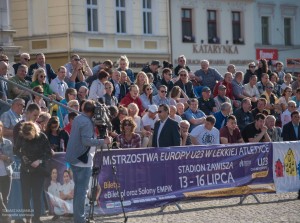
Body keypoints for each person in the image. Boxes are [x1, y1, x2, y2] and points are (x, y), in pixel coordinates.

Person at [65, 100, 112, 223]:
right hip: (82, 160)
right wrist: (103, 141)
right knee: (81, 191)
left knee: (79, 190)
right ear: (92, 112)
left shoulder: (79, 118)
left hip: (76, 159)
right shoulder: (86, 122)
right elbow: (86, 141)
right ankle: (80, 219)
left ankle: (78, 217)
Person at [14, 121, 52, 223]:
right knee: (25, 195)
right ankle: (27, 218)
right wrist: (22, 156)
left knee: (37, 195)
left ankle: (36, 218)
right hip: (25, 169)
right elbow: (16, 150)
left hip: (38, 170)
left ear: (34, 131)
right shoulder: (21, 136)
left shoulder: (42, 137)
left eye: (29, 136)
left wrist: (39, 161)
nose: (28, 138)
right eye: (26, 137)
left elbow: (49, 153)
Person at [0, 121, 14, 223]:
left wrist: (5, 158)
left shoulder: (8, 143)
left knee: (5, 199)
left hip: (6, 174)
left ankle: (3, 219)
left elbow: (11, 160)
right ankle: (7, 217)